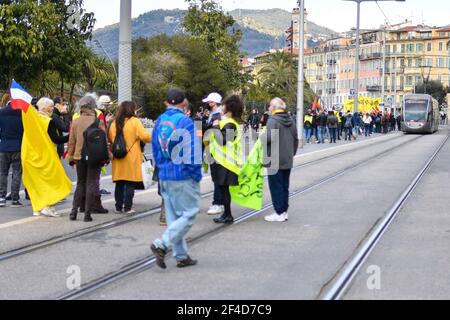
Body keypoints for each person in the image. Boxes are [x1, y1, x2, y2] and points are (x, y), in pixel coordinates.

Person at [151, 87, 202, 269]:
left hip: (165, 174)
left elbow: (156, 150)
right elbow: (192, 152)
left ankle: (181, 255)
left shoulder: (159, 122)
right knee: (189, 213)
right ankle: (162, 244)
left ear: (166, 102)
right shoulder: (186, 121)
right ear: (183, 103)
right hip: (182, 174)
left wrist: (161, 169)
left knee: (173, 217)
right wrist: (196, 175)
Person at [67, 96, 108, 222]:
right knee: (91, 183)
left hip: (79, 156)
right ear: (93, 106)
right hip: (94, 157)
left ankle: (73, 212)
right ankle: (87, 214)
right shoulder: (98, 121)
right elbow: (104, 142)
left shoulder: (76, 121)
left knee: (80, 183)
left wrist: (70, 157)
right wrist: (107, 156)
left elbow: (71, 142)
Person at [108, 101, 151, 215]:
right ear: (131, 110)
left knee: (119, 182)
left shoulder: (114, 123)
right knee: (130, 183)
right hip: (131, 156)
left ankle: (118, 207)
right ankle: (127, 207)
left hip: (118, 156)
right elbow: (145, 136)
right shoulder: (135, 122)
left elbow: (111, 138)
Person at [209, 95, 243, 225]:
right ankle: (226, 214)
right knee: (223, 189)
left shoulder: (230, 124)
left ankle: (228, 215)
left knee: (224, 190)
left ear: (229, 108)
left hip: (226, 163)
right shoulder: (227, 122)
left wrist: (216, 126)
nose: (222, 107)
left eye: (224, 105)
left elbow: (222, 140)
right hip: (222, 162)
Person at [263, 98, 299, 222]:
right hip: (287, 159)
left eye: (269, 106)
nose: (268, 108)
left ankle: (279, 212)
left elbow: (268, 138)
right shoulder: (291, 120)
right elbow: (296, 139)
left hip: (274, 158)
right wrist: (291, 154)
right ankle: (284, 211)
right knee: (284, 186)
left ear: (273, 107)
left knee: (276, 186)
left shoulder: (273, 120)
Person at [203, 92, 225, 216]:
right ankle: (219, 202)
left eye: (209, 102)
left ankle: (217, 203)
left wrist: (206, 126)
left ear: (214, 103)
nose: (207, 104)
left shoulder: (217, 115)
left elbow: (213, 131)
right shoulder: (215, 113)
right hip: (213, 148)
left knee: (217, 176)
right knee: (217, 176)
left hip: (216, 149)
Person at [0, 100, 24, 208]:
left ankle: (1, 198)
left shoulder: (1, 112)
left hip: (3, 147)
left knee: (3, 172)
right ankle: (15, 199)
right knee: (17, 172)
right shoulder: (22, 114)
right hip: (18, 147)